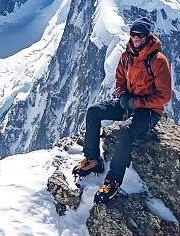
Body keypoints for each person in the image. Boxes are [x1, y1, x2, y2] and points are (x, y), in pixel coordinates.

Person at [73, 16, 172, 204]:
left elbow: (164, 96)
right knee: (94, 111)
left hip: (149, 111)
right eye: (133, 34)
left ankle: (113, 181)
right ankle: (93, 159)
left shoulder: (158, 61)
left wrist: (138, 103)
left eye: (140, 35)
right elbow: (119, 79)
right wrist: (123, 96)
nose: (135, 38)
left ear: (147, 36)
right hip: (129, 104)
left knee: (126, 130)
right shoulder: (126, 56)